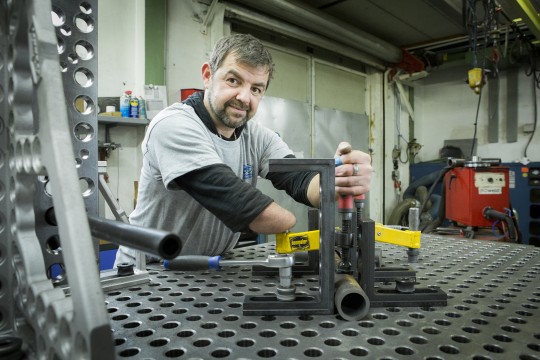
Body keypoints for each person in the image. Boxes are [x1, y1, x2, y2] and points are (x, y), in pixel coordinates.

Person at [114, 33, 372, 265]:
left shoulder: (257, 137)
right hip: (149, 273)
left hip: (209, 268)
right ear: (207, 75)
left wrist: (338, 179)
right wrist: (289, 221)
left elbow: (303, 180)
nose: (244, 97)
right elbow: (253, 212)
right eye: (234, 80)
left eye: (256, 89)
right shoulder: (174, 126)